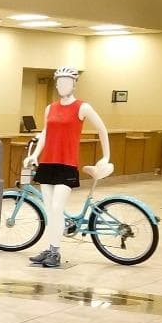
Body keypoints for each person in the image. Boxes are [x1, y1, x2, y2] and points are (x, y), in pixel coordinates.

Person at [24, 65, 112, 269]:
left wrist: (106, 156)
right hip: (48, 162)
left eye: (67, 81)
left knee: (57, 208)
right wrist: (35, 154)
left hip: (66, 164)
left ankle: (55, 251)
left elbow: (102, 128)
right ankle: (49, 248)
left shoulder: (82, 107)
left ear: (74, 84)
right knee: (50, 210)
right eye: (59, 82)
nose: (62, 85)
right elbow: (46, 133)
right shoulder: (50, 108)